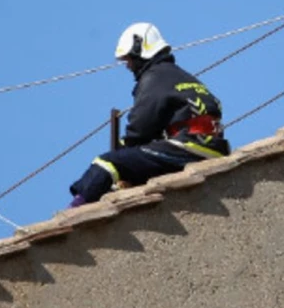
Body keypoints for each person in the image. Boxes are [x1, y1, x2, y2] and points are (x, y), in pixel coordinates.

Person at [69, 22, 229, 206]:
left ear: (140, 49)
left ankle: (73, 212)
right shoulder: (184, 77)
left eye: (128, 59)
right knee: (132, 170)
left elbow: (140, 129)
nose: (128, 65)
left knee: (106, 162)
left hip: (190, 147)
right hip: (215, 147)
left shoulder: (154, 77)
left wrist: (123, 150)